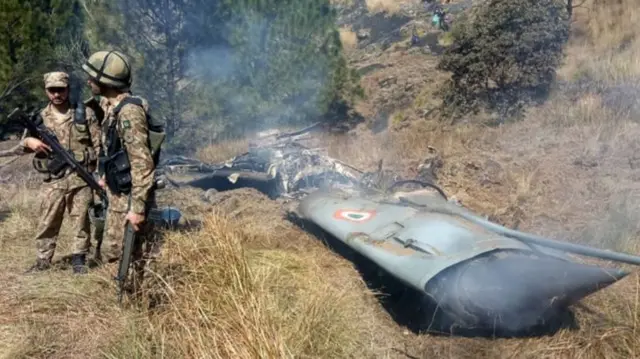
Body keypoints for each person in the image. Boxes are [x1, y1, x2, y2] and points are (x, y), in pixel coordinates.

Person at [81, 50, 165, 294]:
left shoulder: (128, 113)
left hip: (130, 199)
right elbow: (118, 152)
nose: (89, 81)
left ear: (106, 80)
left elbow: (142, 164)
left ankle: (137, 302)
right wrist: (108, 173)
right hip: (120, 194)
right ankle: (128, 298)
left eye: (93, 77)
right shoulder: (114, 108)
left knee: (127, 254)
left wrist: (137, 209)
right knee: (115, 253)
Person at [23, 71, 102, 274]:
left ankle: (79, 259)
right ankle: (43, 260)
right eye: (52, 90)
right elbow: (22, 145)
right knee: (47, 221)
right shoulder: (39, 118)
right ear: (46, 91)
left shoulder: (84, 114)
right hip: (53, 180)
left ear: (68, 89)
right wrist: (28, 142)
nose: (56, 94)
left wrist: (99, 173)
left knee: (81, 221)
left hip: (80, 178)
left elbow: (99, 146)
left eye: (61, 89)